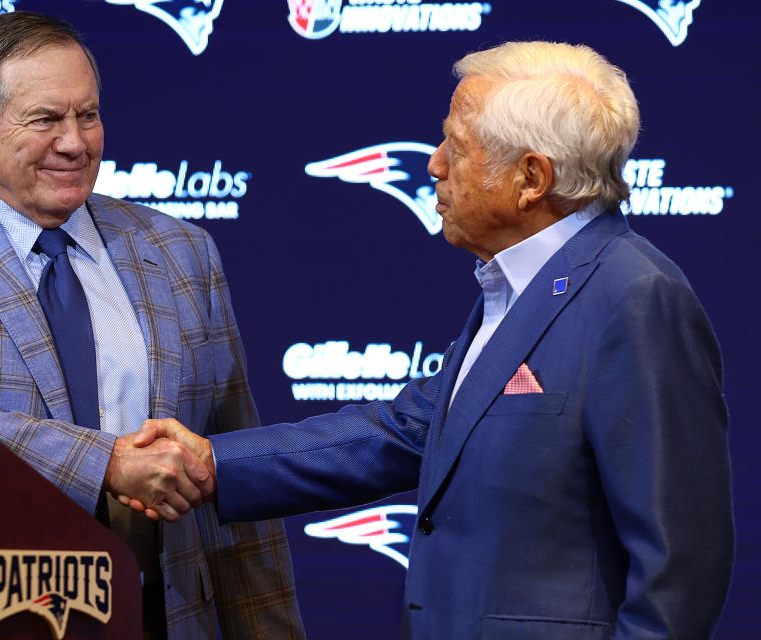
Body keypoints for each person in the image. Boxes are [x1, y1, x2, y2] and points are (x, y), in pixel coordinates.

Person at [129, 41, 734, 639]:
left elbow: (679, 567)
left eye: (458, 147)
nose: (435, 163)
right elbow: (407, 431)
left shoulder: (634, 299)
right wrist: (214, 464)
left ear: (531, 178)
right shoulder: (521, 284)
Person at [0, 11, 304, 640]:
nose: (76, 142)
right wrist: (106, 463)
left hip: (165, 617)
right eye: (46, 119)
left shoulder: (181, 251)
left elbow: (234, 472)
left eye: (88, 115)